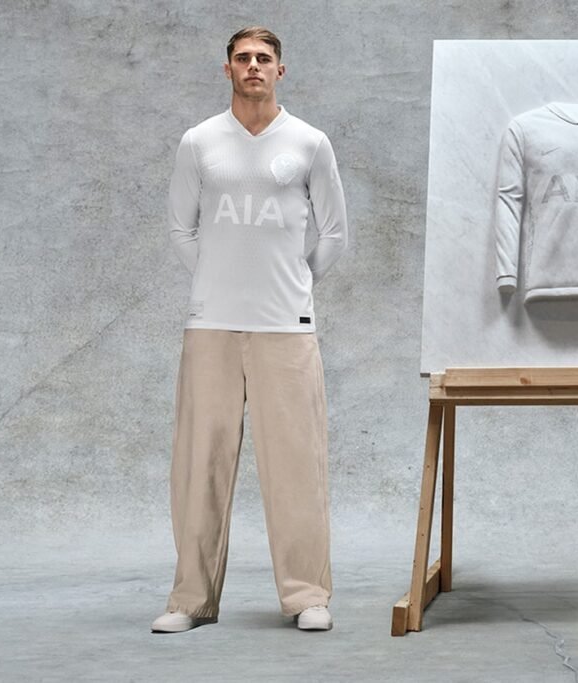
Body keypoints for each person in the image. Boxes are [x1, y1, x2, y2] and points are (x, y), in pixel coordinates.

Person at [151, 26, 347, 633]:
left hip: (286, 330)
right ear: (228, 69)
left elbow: (335, 233)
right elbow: (181, 230)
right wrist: (217, 279)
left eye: (264, 58)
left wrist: (293, 285)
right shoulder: (200, 142)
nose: (254, 67)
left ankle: (308, 596)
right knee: (199, 464)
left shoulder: (310, 142)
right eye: (243, 58)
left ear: (280, 71)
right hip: (211, 326)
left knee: (296, 463)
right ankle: (190, 600)